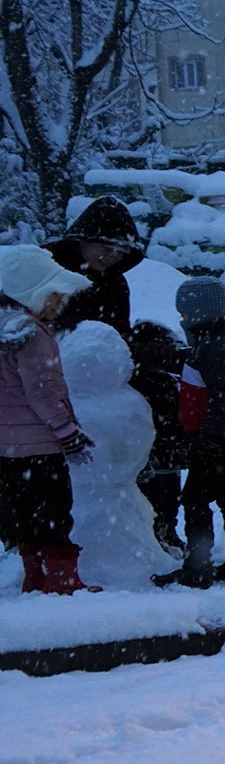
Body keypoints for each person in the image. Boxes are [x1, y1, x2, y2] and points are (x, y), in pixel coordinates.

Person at [0, 246, 101, 594]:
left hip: (8, 448)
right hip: (42, 443)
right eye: (53, 295)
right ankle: (62, 581)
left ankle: (34, 577)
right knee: (56, 513)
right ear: (31, 292)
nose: (59, 304)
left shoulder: (3, 329)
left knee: (26, 515)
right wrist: (67, 432)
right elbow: (42, 392)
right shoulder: (31, 334)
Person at [152, 278, 225, 589]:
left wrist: (210, 438)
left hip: (219, 439)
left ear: (198, 311)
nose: (181, 318)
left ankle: (198, 567)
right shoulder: (215, 342)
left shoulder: (215, 345)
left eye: (184, 312)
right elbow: (189, 362)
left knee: (196, 500)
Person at [45, 196, 146, 339]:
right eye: (107, 248)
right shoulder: (43, 268)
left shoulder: (115, 283)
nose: (113, 257)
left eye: (121, 252)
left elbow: (119, 337)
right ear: (83, 241)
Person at [129, 320, 189, 555]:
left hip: (156, 451)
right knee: (163, 498)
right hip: (162, 451)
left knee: (161, 497)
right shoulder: (159, 380)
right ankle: (163, 534)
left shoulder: (137, 377)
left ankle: (162, 533)